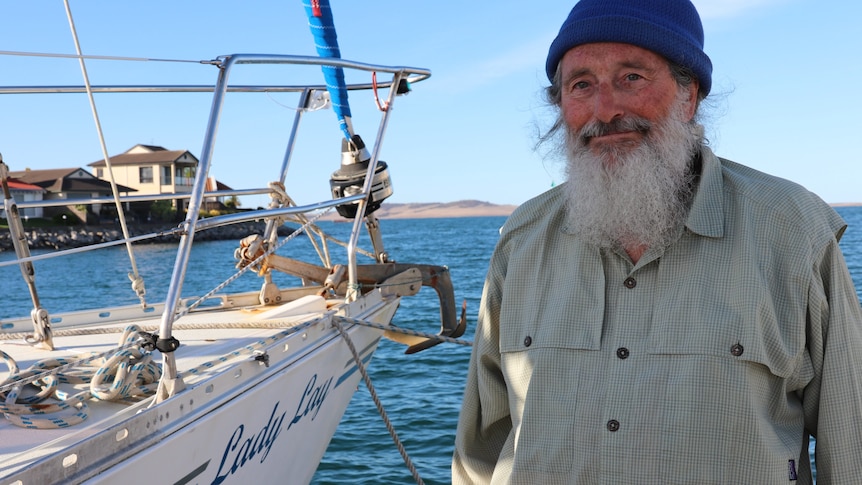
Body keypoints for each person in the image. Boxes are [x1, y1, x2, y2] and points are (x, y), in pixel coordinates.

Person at [452, 0, 862, 483]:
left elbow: (850, 441)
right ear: (561, 105)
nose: (606, 110)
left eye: (632, 78)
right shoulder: (522, 240)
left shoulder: (793, 233)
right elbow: (481, 450)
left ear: (689, 97)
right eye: (582, 84)